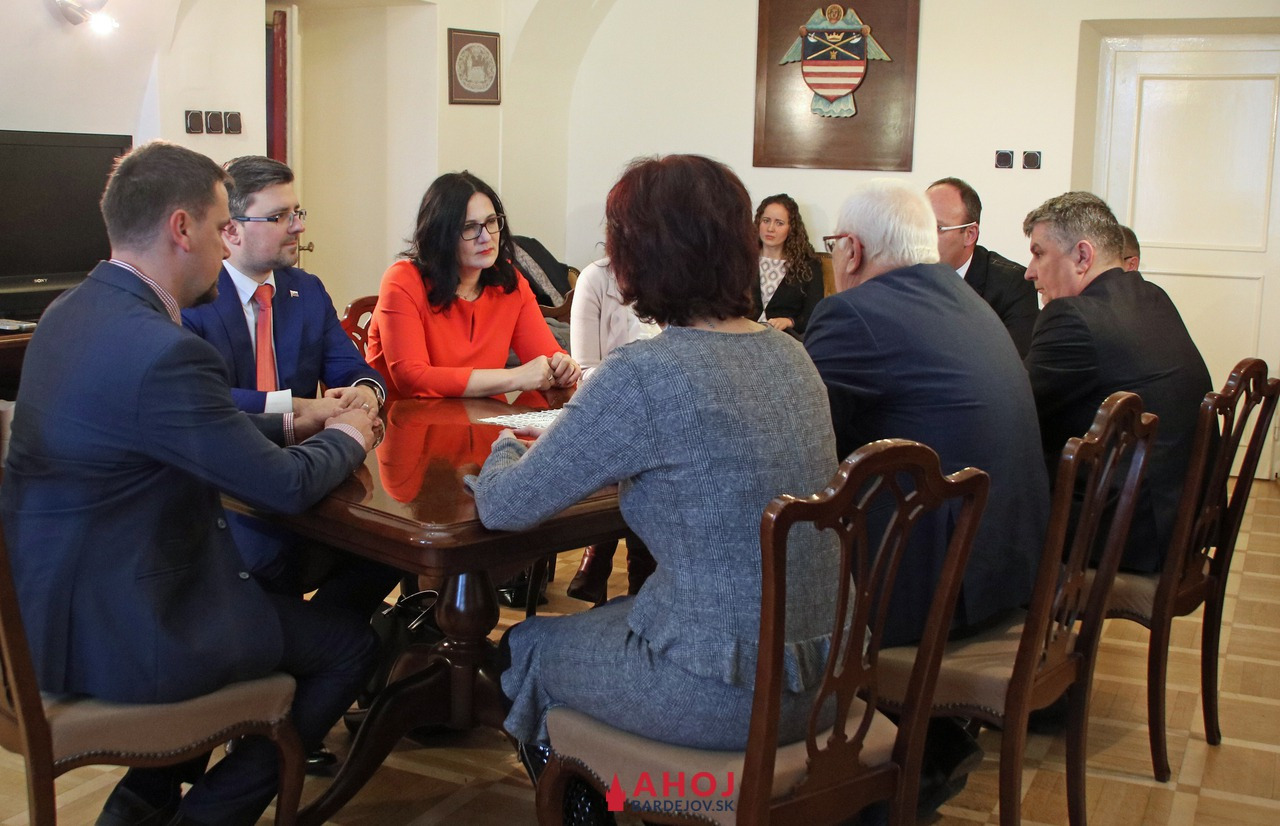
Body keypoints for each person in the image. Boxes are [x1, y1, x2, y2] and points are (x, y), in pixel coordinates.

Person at [0, 141, 379, 826]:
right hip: (131, 634)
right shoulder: (164, 351)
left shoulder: (66, 314)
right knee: (349, 645)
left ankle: (138, 807)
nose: (225, 243)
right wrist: (351, 435)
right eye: (220, 227)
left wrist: (291, 423)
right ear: (182, 228)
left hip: (43, 625)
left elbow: (161, 429)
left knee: (288, 597)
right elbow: (285, 489)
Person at [467, 155, 840, 800]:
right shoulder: (794, 357)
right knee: (615, 615)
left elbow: (505, 506)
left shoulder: (646, 373)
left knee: (524, 647)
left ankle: (606, 803)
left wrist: (501, 444)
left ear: (635, 256)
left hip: (723, 692)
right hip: (825, 675)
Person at [805, 178, 1049, 813]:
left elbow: (794, 439)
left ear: (852, 249)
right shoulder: (970, 302)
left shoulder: (853, 314)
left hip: (930, 592)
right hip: (1003, 572)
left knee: (775, 561)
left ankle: (837, 778)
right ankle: (928, 747)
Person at [182, 155, 399, 628]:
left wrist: (363, 394)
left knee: (394, 550)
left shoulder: (307, 290)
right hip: (230, 487)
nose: (298, 227)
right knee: (268, 558)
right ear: (231, 230)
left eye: (297, 213)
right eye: (280, 217)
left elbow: (353, 368)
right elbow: (206, 399)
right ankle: (321, 644)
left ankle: (328, 641)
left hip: (315, 472)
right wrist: (297, 407)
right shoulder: (194, 298)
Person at [1022, 192, 1211, 572]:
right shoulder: (1151, 296)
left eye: (1038, 254)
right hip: (1182, 519)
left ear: (1082, 256)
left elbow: (1015, 411)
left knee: (975, 498)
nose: (1029, 272)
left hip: (1123, 533)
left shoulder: (1072, 317)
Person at [364, 171, 581, 399]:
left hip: (488, 417)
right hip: (408, 416)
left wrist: (563, 367)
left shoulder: (509, 281)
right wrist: (515, 377)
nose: (486, 237)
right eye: (469, 227)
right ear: (440, 235)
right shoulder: (402, 280)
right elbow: (413, 378)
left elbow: (547, 358)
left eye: (491, 222)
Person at [562, 258, 660, 604]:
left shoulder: (679, 275)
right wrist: (634, 388)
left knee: (653, 449)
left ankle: (597, 558)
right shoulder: (596, 278)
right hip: (607, 409)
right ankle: (640, 580)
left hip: (660, 414)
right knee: (639, 450)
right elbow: (584, 372)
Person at [926, 177, 1040, 356]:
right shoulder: (901, 274)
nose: (922, 237)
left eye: (937, 228)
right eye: (918, 226)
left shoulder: (1012, 285)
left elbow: (1011, 362)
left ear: (970, 234)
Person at [753, 193, 824, 337]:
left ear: (791, 228)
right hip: (744, 336)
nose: (770, 228)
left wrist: (789, 321)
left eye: (779, 223)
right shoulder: (742, 259)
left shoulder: (808, 265)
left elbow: (814, 314)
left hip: (785, 338)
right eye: (766, 221)